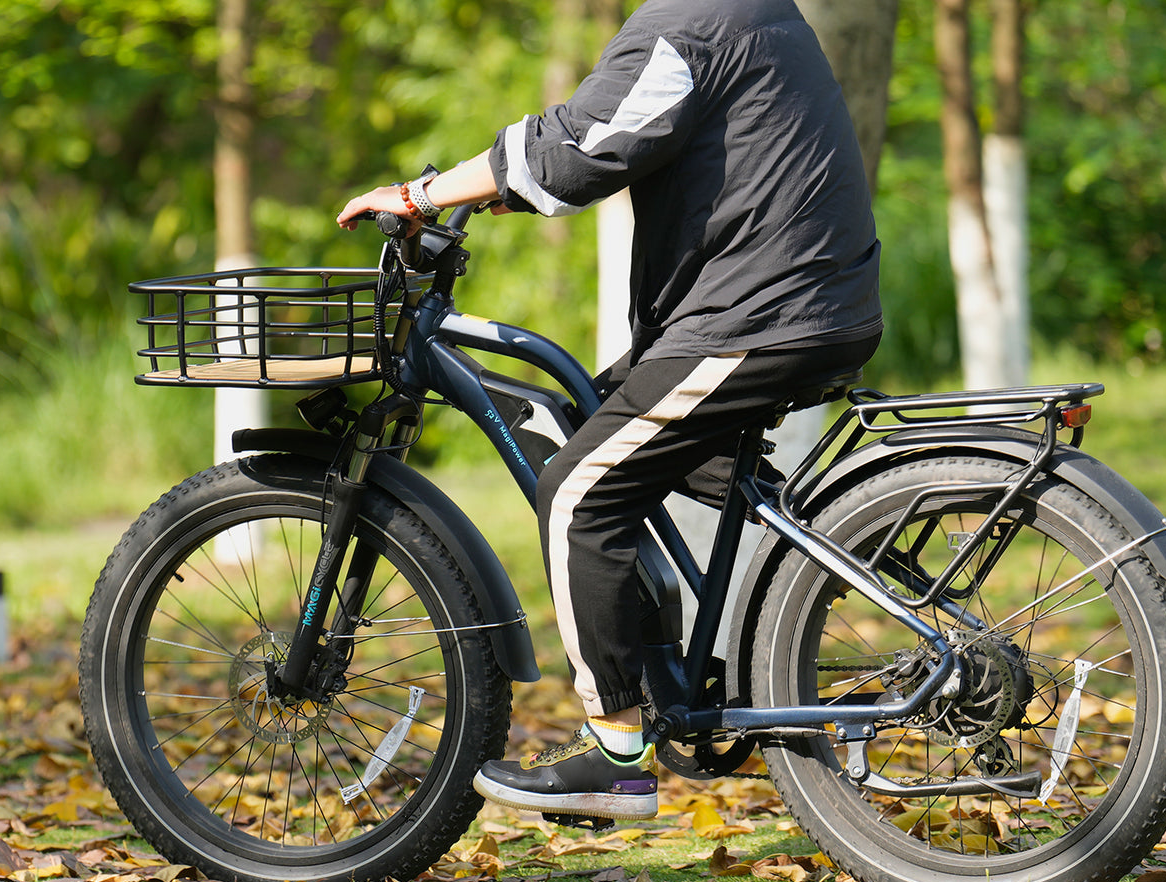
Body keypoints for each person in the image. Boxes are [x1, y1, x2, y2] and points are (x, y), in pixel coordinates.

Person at [337, 0, 882, 823]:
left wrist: (424, 193)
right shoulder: (755, 9)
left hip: (755, 318)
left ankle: (616, 753)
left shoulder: (687, 22)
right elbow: (638, 139)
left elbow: (583, 143)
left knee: (578, 490)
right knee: (589, 415)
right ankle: (682, 659)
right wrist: (507, 193)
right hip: (798, 304)